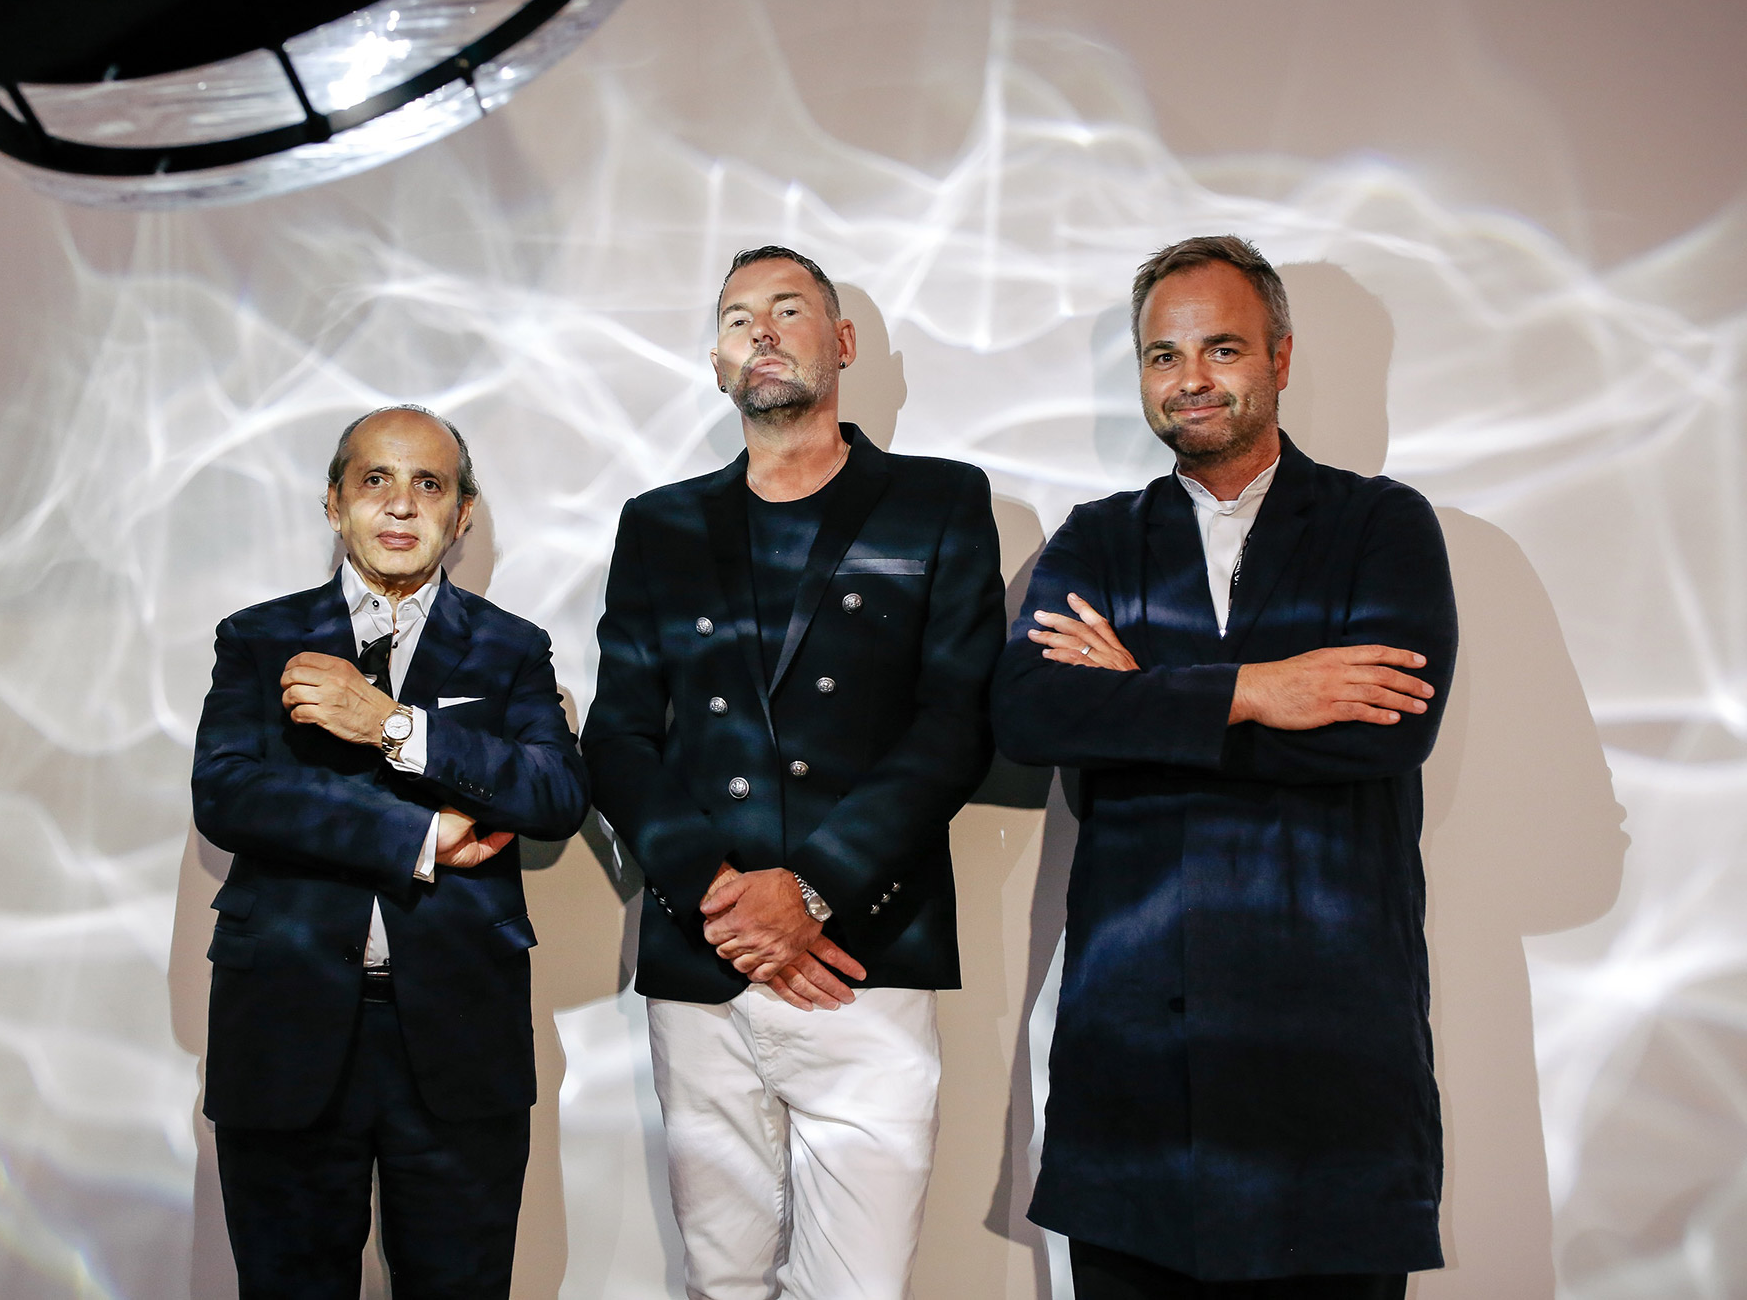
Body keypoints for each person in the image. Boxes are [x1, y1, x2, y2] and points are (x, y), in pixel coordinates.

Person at [990, 236, 1457, 1298]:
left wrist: (1137, 697)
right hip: (1137, 1044)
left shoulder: (1380, 523)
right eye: (1163, 355)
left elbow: (1385, 729)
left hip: (1330, 1046)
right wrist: (1257, 689)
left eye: (1221, 348)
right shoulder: (1096, 539)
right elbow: (1028, 713)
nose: (1189, 377)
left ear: (1279, 358)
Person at [583, 246, 1005, 1299]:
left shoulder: (938, 500)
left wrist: (810, 888)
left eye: (787, 308)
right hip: (705, 956)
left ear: (842, 341)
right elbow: (617, 736)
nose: (760, 332)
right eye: (736, 319)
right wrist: (720, 896)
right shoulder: (658, 522)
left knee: (857, 1288)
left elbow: (956, 722)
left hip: (861, 957)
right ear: (717, 364)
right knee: (719, 1280)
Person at [191, 405, 589, 1300]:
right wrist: (418, 833)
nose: (401, 504)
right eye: (375, 479)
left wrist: (392, 727)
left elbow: (555, 795)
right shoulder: (257, 638)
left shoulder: (512, 648)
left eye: (428, 484)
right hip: (283, 1028)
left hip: (461, 1037)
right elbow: (229, 794)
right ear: (335, 503)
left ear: (462, 512)